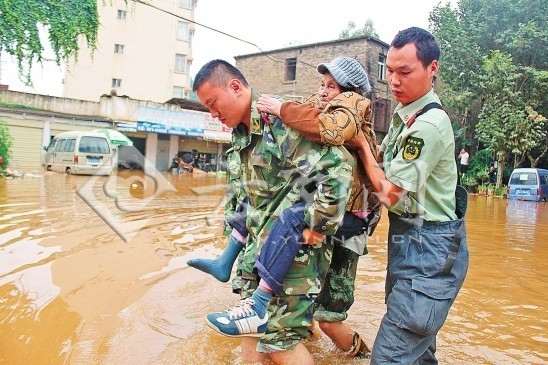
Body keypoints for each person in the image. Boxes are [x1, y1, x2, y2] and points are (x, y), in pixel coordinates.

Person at [190, 56, 380, 358]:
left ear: (236, 87)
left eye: (213, 104)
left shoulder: (279, 122)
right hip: (261, 253)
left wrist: (315, 229)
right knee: (256, 337)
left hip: (295, 254)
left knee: (283, 343)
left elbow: (339, 169)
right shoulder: (242, 135)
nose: (212, 114)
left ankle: (364, 356)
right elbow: (248, 197)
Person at [347, 27, 469, 363]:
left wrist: (361, 146)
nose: (394, 81)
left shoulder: (427, 126)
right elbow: (383, 161)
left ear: (433, 69)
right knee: (418, 352)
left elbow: (392, 195)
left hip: (431, 251)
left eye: (405, 72)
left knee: (390, 355)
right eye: (390, 70)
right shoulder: (406, 117)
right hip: (412, 243)